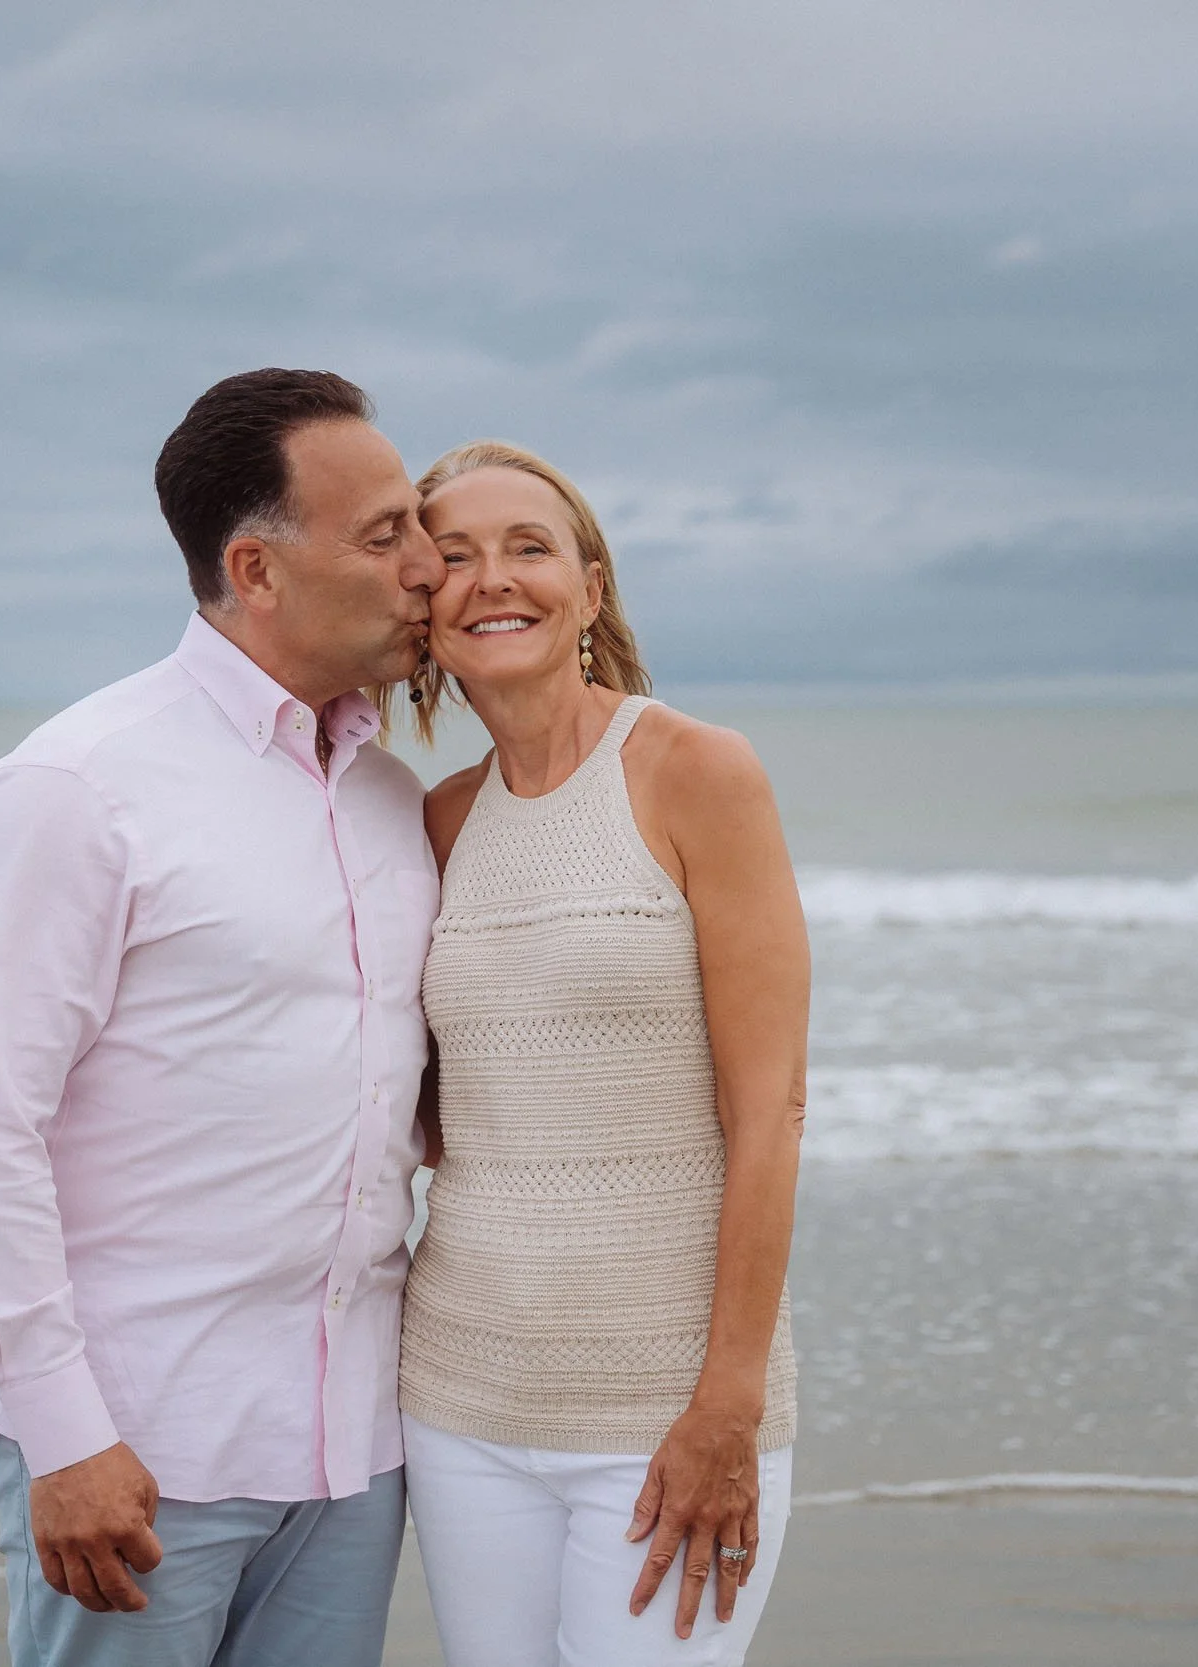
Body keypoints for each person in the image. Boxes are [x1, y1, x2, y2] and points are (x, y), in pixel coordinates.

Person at [0, 368, 444, 1667]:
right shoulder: (74, 788)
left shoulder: (387, 794)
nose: (431, 564)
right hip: (139, 1442)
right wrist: (59, 1426)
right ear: (256, 568)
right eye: (386, 535)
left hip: (352, 1446)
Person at [394, 441, 807, 1666]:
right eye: (451, 556)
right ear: (422, 607)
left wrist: (726, 1404)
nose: (489, 578)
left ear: (589, 585)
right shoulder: (435, 821)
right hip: (461, 1394)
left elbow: (772, 1113)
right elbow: (431, 1112)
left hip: (666, 1404)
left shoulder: (695, 771)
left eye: (526, 546)